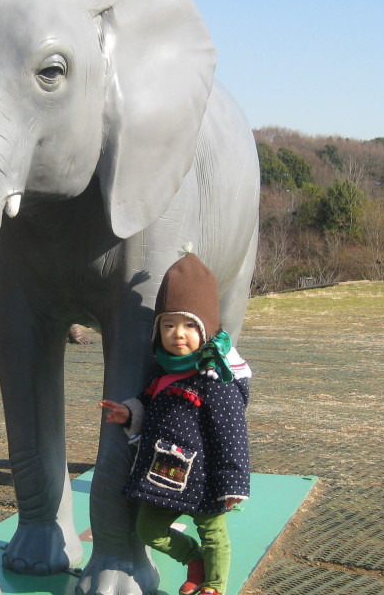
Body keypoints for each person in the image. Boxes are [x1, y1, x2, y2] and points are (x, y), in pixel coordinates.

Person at [101, 252, 251, 595]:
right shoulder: (164, 370)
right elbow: (151, 401)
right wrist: (130, 412)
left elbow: (232, 436)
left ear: (205, 331)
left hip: (208, 477)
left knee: (213, 532)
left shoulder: (214, 380)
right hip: (167, 473)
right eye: (168, 325)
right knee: (148, 529)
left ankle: (214, 585)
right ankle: (193, 559)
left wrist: (232, 483)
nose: (177, 334)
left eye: (188, 326)